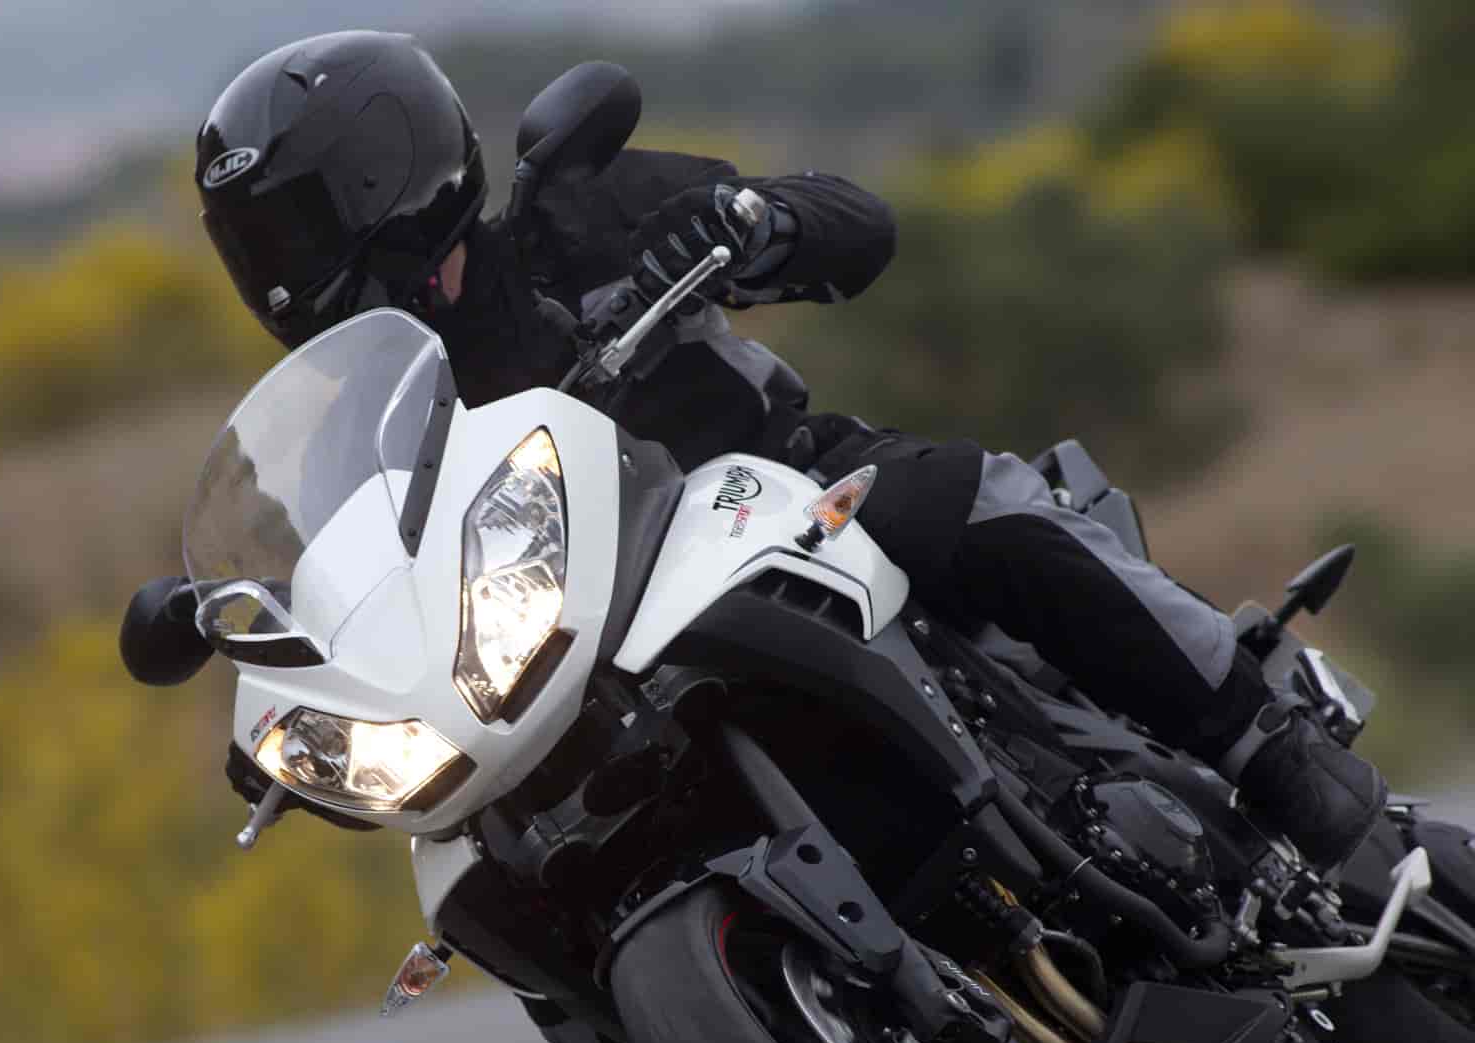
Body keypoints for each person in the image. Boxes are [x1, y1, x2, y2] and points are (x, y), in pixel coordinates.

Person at [190, 30, 1385, 869]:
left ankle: (1259, 741)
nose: (288, 266)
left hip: (801, 495)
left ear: (389, 171)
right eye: (260, 244)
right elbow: (362, 582)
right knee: (496, 854)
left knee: (975, 510)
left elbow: (857, 228)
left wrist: (753, 224)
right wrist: (305, 691)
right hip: (589, 657)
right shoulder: (377, 423)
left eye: (301, 223)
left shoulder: (569, 222)